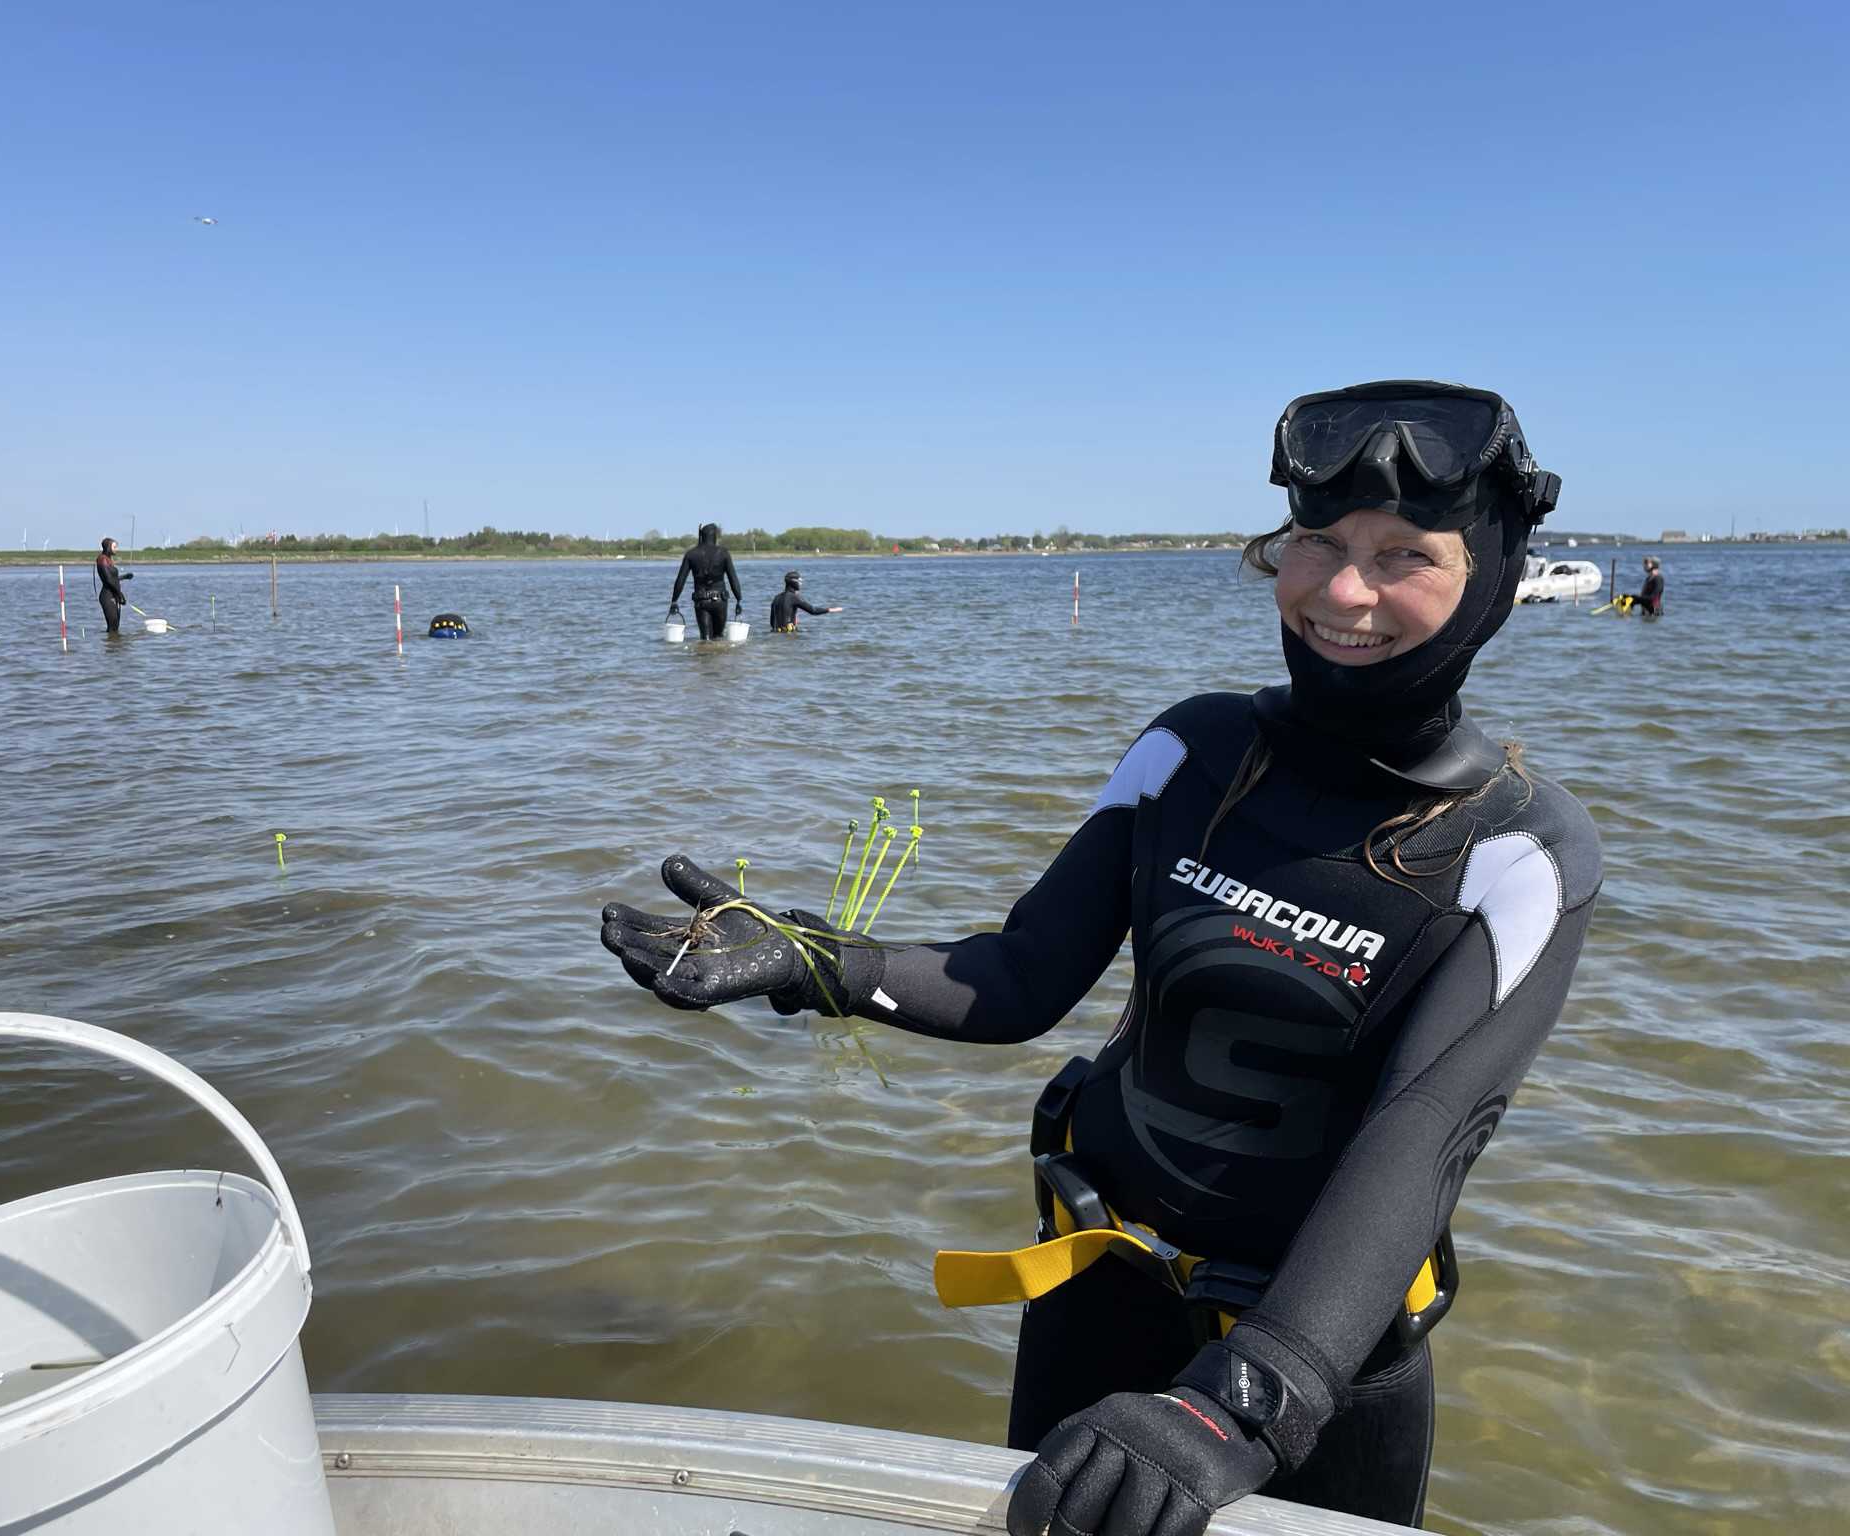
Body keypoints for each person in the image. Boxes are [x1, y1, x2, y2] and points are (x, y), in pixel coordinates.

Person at [600, 381, 1600, 1536]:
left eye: (1403, 556)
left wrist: (1237, 1406)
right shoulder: (1192, 748)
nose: (1341, 590)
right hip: (1094, 1299)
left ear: (1492, 579)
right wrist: (812, 961)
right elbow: (1021, 975)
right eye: (1317, 541)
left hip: (1309, 1377)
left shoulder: (1516, 851)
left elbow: (1416, 1142)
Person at [670, 523, 743, 639]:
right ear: (715, 536)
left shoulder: (691, 554)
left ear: (701, 536)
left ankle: (705, 649)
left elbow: (680, 580)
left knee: (705, 638)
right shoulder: (723, 553)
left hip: (701, 601)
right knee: (718, 637)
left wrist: (674, 600)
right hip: (720, 601)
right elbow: (733, 579)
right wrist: (739, 599)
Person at [768, 570, 843, 632]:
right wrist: (830, 610)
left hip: (775, 633)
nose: (800, 584)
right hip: (788, 635)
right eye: (799, 581)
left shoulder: (776, 598)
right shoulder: (793, 597)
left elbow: (772, 622)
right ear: (794, 582)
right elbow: (813, 610)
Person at [94, 537, 132, 633]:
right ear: (108, 547)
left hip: (114, 594)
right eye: (114, 547)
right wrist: (119, 594)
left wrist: (124, 577)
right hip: (107, 596)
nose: (116, 549)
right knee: (112, 626)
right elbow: (108, 580)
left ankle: (112, 642)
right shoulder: (102, 559)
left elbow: (113, 578)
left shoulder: (108, 559)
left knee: (116, 627)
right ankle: (111, 641)